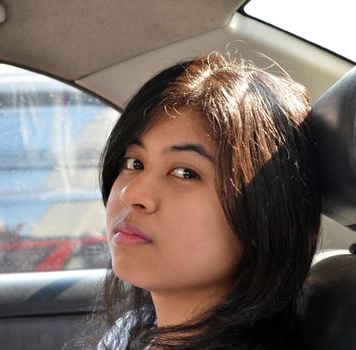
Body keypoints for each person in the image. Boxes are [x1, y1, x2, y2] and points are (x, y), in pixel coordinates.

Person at [95, 52, 321, 350]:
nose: (131, 194)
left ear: (263, 216)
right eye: (134, 163)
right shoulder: (129, 333)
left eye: (184, 172)